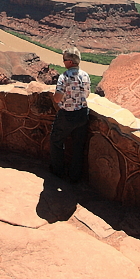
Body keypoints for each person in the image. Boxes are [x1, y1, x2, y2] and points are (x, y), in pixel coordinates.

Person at [50, 47, 91, 182]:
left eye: (64, 60)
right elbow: (87, 94)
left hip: (67, 116)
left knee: (56, 141)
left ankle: (58, 172)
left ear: (70, 62)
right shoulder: (85, 75)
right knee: (78, 146)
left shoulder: (64, 77)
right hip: (83, 115)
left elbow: (57, 98)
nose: (63, 62)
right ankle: (75, 176)